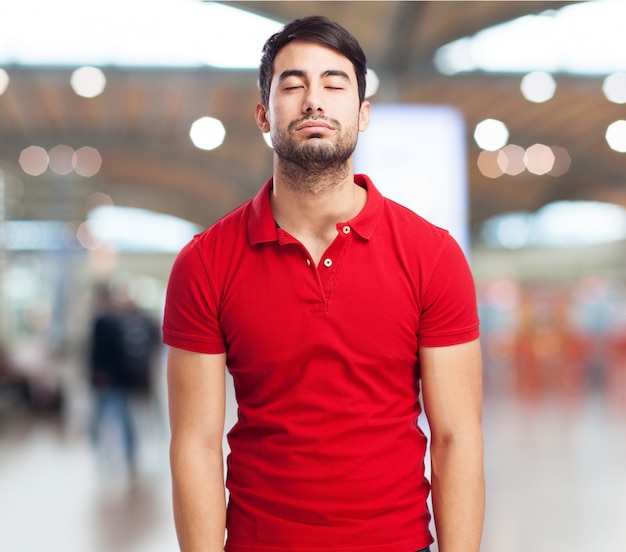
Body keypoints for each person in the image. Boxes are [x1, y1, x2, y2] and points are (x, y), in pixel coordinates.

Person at [163, 15, 484, 552]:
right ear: (264, 114)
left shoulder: (432, 255)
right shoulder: (205, 263)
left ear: (362, 113)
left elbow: (457, 438)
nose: (314, 100)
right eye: (293, 85)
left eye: (334, 84)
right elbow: (194, 443)